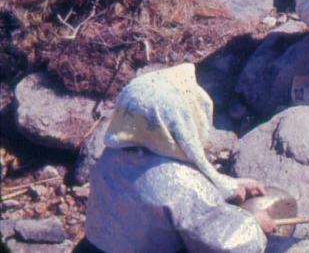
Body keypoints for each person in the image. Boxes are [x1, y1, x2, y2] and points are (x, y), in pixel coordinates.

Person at [84, 64, 272, 253]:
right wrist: (254, 225)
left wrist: (229, 186)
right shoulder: (181, 186)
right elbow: (228, 245)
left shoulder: (112, 156)